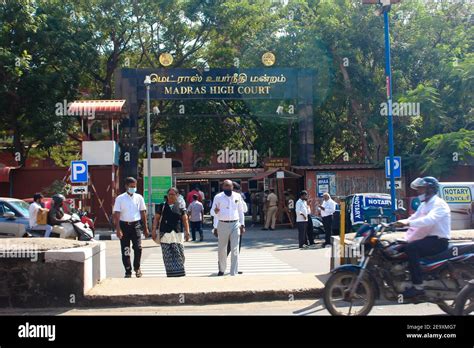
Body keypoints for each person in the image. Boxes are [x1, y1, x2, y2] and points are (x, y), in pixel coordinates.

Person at [395, 177, 450, 298]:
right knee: (396, 248)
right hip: (427, 238)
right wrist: (396, 224)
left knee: (411, 248)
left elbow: (430, 220)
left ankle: (418, 286)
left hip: (438, 241)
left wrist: (408, 223)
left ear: (430, 189)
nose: (418, 191)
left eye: (421, 189)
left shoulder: (439, 204)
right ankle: (403, 275)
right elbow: (413, 218)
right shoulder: (424, 205)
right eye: (418, 189)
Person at [113, 177, 149, 278]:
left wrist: (145, 228)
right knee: (126, 250)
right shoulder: (120, 198)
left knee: (138, 248)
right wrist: (118, 229)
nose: (133, 188)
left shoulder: (139, 197)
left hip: (136, 225)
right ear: (126, 186)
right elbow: (117, 214)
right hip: (124, 226)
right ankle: (128, 270)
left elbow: (143, 212)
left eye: (135, 186)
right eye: (131, 186)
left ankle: (137, 268)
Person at [152, 187, 191, 277]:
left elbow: (185, 220)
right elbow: (156, 219)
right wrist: (154, 230)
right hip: (165, 233)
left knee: (180, 254)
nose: (171, 196)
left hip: (177, 233)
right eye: (169, 194)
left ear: (177, 196)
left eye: (173, 194)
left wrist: (187, 231)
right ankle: (170, 273)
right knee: (168, 255)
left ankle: (180, 272)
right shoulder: (162, 206)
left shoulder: (181, 206)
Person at [211, 179, 245, 276]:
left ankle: (233, 272)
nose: (228, 188)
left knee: (235, 249)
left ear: (232, 187)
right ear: (223, 187)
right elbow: (212, 212)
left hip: (235, 224)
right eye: (225, 186)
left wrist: (242, 225)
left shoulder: (237, 196)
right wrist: (215, 227)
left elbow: (240, 211)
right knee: (222, 249)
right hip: (222, 224)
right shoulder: (218, 197)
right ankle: (222, 269)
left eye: (229, 186)